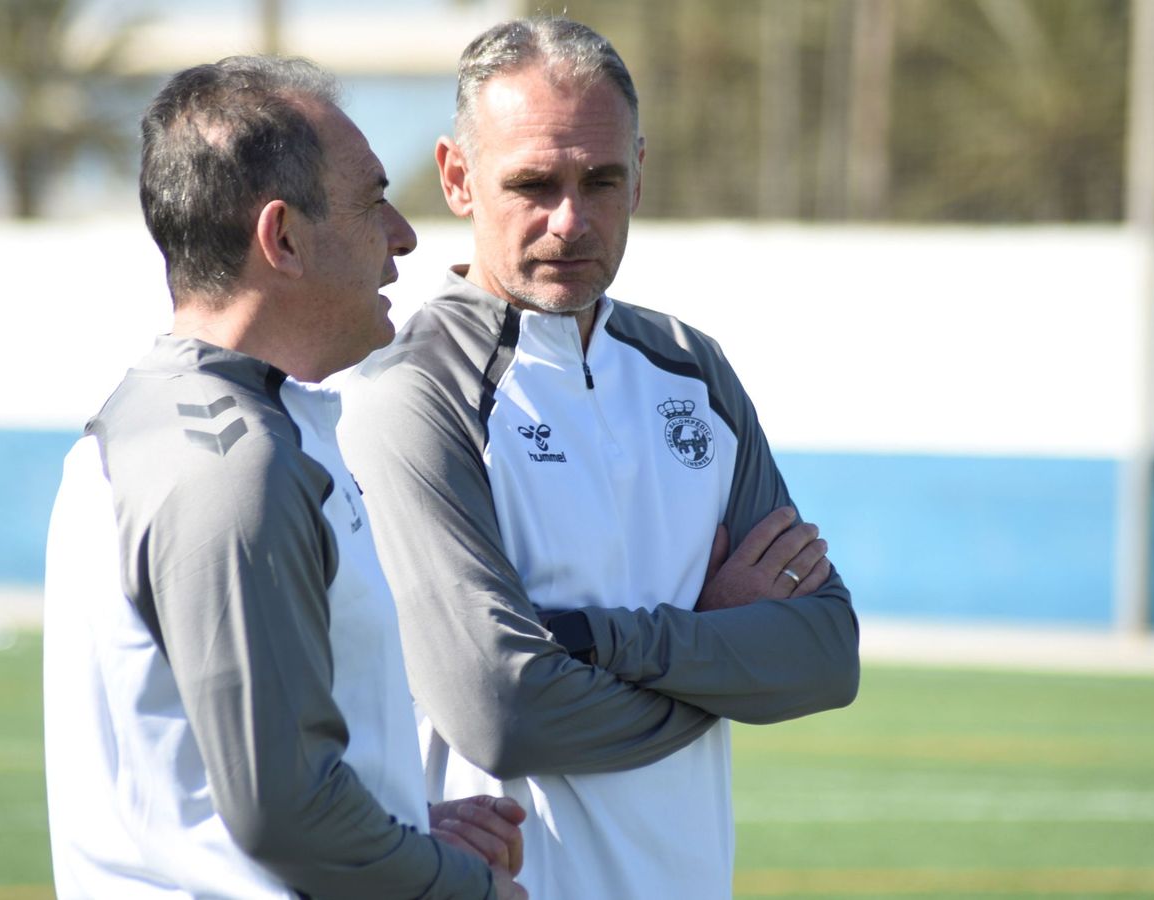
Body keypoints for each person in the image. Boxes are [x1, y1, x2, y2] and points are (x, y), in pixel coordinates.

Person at [337, 18, 861, 899]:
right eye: (534, 183)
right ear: (458, 178)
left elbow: (824, 655)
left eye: (602, 180)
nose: (570, 220)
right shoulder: (412, 391)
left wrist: (589, 639)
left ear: (640, 177)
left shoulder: (692, 370)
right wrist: (713, 642)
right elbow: (502, 711)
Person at [41, 55, 527, 899]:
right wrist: (463, 888)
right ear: (285, 239)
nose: (404, 235)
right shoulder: (231, 466)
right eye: (373, 199)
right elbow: (284, 813)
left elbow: (216, 791)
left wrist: (395, 818)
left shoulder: (179, 427)